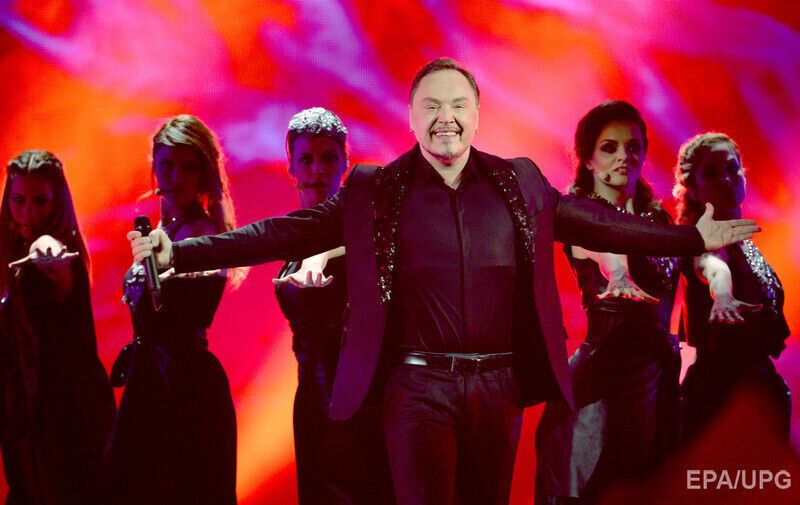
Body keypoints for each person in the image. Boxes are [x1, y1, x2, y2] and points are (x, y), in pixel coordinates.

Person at [128, 58, 758, 505]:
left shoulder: (518, 183)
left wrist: (690, 239)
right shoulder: (375, 189)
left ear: (477, 115)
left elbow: (600, 223)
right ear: (412, 117)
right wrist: (178, 253)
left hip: (497, 386)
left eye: (458, 105)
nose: (446, 117)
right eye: (432, 105)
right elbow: (280, 234)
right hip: (417, 387)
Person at [535, 101, 681, 504]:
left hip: (658, 375)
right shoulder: (580, 215)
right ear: (588, 159)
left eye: (633, 147)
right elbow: (606, 248)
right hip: (606, 377)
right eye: (609, 148)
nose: (623, 156)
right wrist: (619, 274)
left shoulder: (660, 220)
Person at [105, 115, 246, 505]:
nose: (177, 176)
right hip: (150, 381)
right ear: (154, 166)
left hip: (185, 389)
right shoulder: (160, 231)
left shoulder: (202, 235)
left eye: (189, 166)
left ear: (204, 172)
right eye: (167, 164)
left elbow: (178, 316)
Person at [272, 107, 394, 504]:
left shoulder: (363, 231)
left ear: (345, 163)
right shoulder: (294, 232)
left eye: (328, 158)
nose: (317, 169)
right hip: (309, 394)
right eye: (306, 159)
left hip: (355, 399)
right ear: (292, 166)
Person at [0, 150, 115, 505]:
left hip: (66, 414)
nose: (28, 213)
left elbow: (51, 253)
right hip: (24, 409)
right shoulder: (11, 254)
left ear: (57, 202)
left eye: (40, 201)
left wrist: (45, 249)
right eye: (19, 200)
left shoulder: (61, 256)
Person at [673, 132, 790, 441]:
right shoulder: (702, 241)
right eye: (710, 173)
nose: (725, 179)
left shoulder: (743, 242)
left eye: (731, 168)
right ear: (692, 189)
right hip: (720, 397)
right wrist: (722, 294)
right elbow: (713, 266)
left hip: (755, 391)